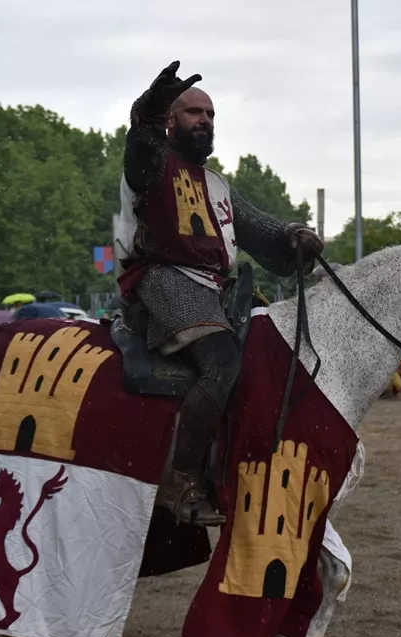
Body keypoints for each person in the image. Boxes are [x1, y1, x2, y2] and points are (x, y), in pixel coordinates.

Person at [115, 62, 324, 526]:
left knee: (273, 354)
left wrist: (294, 235)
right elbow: (141, 146)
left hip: (217, 288)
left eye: (210, 115)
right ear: (171, 120)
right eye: (193, 112)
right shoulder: (151, 165)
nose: (204, 121)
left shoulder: (216, 185)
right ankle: (182, 481)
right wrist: (147, 111)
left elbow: (262, 234)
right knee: (223, 361)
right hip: (163, 279)